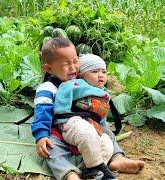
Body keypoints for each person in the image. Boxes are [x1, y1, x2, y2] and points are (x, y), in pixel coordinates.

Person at [31, 37, 144, 180]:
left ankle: (116, 158)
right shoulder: (48, 88)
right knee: (52, 149)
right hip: (60, 130)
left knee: (107, 132)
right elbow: (42, 112)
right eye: (66, 64)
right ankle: (69, 173)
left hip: (89, 127)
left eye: (75, 61)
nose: (73, 67)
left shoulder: (81, 82)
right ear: (49, 69)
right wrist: (41, 135)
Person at [53, 53, 116, 179]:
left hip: (93, 127)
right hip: (72, 123)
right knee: (86, 131)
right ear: (81, 74)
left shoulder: (104, 94)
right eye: (94, 71)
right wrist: (62, 117)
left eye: (103, 72)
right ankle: (98, 167)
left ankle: (87, 169)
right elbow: (63, 96)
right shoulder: (76, 84)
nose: (100, 75)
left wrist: (103, 130)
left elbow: (101, 117)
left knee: (107, 145)